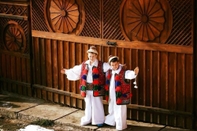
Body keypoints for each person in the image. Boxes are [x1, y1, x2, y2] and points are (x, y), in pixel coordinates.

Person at [61, 46, 110, 127]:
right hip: (87, 88)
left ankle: (99, 120)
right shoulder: (84, 64)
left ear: (96, 55)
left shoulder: (101, 65)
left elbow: (111, 66)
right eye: (90, 56)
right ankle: (88, 119)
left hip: (97, 88)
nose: (91, 57)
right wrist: (67, 71)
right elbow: (75, 70)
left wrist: (120, 66)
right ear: (88, 55)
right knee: (88, 104)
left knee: (97, 104)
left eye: (93, 56)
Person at [104, 55, 139, 130]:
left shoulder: (123, 72)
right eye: (112, 65)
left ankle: (120, 126)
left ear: (118, 63)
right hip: (111, 93)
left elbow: (129, 74)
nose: (114, 66)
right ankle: (111, 121)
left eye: (116, 64)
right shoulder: (109, 71)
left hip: (120, 94)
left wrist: (134, 73)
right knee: (111, 107)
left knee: (120, 109)